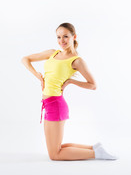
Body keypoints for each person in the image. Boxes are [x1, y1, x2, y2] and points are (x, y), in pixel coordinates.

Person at [21, 22, 118, 161]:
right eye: (59, 37)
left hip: (56, 104)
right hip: (47, 104)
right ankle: (94, 148)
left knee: (55, 155)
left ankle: (96, 154)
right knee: (57, 148)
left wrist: (71, 81)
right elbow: (25, 59)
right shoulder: (52, 53)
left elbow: (93, 85)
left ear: (74, 37)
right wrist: (37, 75)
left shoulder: (76, 61)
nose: (62, 41)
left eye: (65, 36)